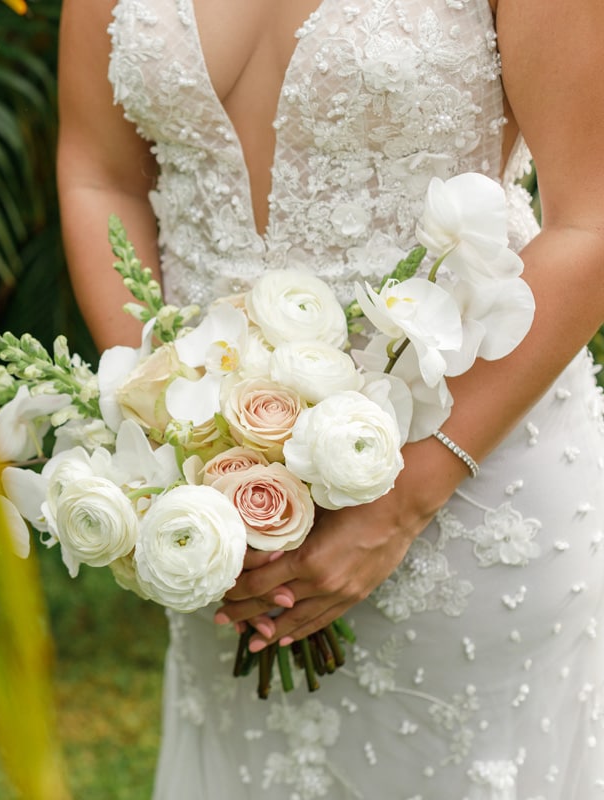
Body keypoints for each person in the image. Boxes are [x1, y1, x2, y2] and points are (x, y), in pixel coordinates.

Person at [57, 0, 604, 797]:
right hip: (232, 516)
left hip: (475, 489)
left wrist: (400, 505)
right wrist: (167, 430)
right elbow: (98, 174)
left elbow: (590, 221)